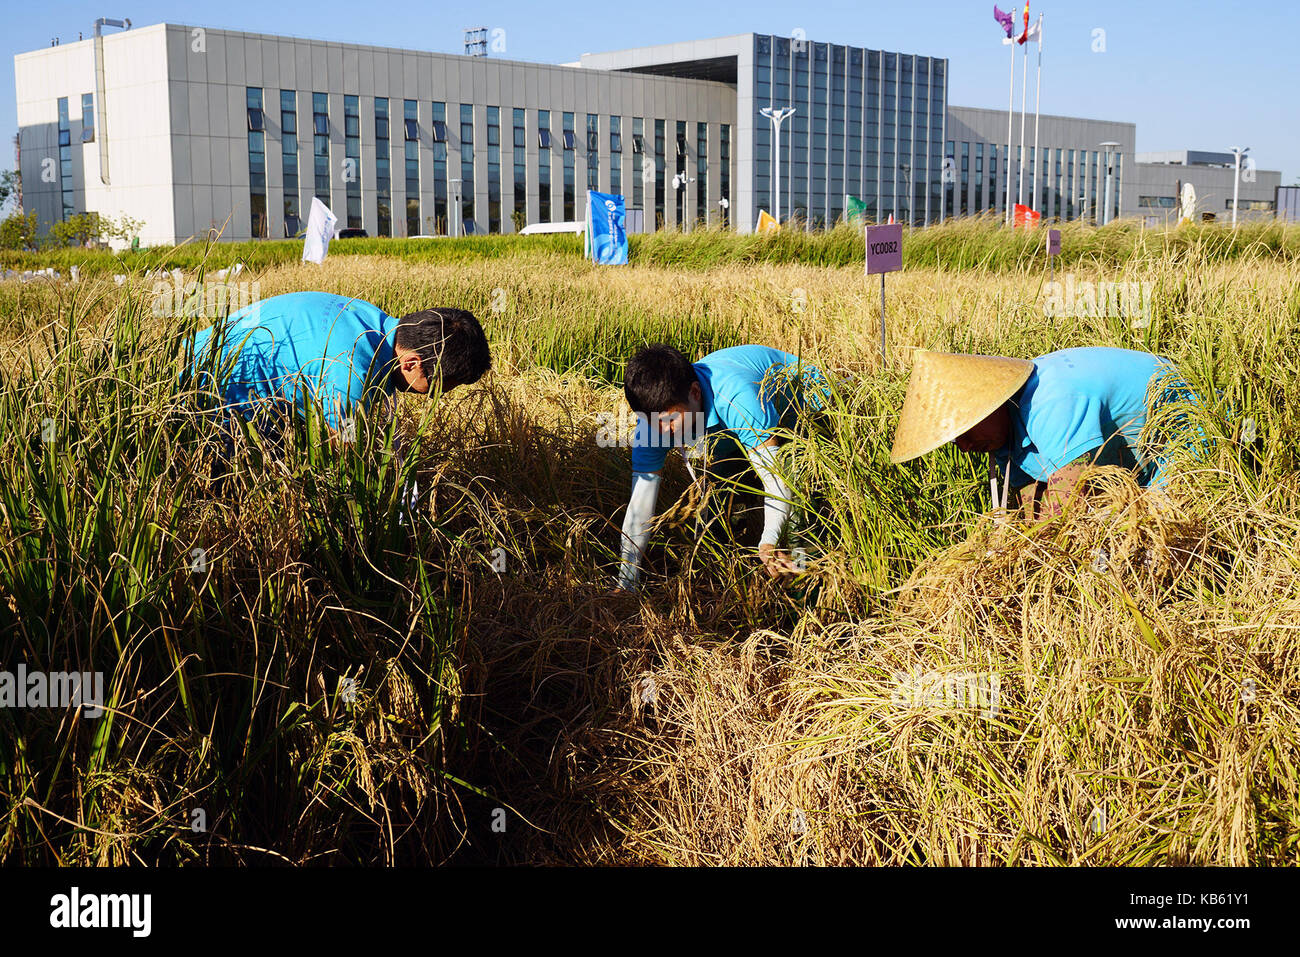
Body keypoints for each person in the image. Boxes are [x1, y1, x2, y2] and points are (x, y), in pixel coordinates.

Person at [612, 343, 827, 591]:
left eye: (670, 420)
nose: (662, 433)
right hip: (736, 435)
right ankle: (735, 588)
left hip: (809, 413)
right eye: (651, 422)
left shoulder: (737, 398)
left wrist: (768, 541)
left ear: (694, 392)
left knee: (797, 519)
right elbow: (640, 506)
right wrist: (627, 581)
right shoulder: (653, 427)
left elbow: (777, 479)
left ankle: (807, 594)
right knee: (718, 508)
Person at [890, 346, 1195, 517]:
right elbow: (1033, 501)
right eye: (955, 438)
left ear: (991, 403)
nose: (965, 446)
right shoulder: (1005, 432)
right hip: (1139, 455)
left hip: (1187, 436)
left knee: (1158, 535)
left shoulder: (1050, 403)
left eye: (965, 430)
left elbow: (1067, 496)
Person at [187, 291, 490, 444]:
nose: (434, 397)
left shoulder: (371, 321)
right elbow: (346, 454)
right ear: (411, 363)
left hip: (194, 358)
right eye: (438, 388)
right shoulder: (352, 376)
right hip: (199, 392)